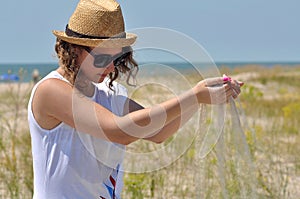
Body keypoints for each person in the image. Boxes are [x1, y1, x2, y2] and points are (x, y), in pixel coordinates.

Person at [27, 0, 243, 198]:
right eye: (102, 57)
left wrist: (201, 99)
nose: (111, 67)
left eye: (117, 57)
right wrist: (193, 95)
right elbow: (118, 131)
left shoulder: (109, 94)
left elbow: (159, 132)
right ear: (74, 49)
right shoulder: (50, 91)